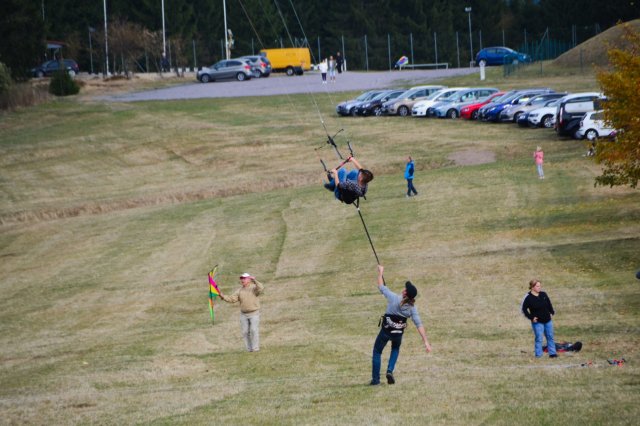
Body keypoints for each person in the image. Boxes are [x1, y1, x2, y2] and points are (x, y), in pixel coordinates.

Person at [371, 265, 431, 385]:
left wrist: (380, 272)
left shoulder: (394, 298)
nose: (404, 289)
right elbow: (419, 324)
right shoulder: (412, 308)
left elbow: (381, 287)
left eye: (405, 289)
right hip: (398, 334)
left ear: (405, 293)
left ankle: (376, 381)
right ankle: (390, 370)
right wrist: (426, 341)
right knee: (395, 348)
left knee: (377, 352)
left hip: (385, 332)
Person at [219, 272, 265, 352]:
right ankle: (249, 349)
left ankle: (255, 348)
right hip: (243, 314)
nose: (242, 280)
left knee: (254, 330)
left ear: (249, 279)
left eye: (244, 278)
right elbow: (232, 299)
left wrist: (255, 280)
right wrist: (223, 296)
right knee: (245, 332)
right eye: (241, 278)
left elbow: (261, 288)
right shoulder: (239, 290)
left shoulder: (254, 288)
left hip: (254, 313)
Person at [521, 279, 557, 358]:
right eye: (537, 286)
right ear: (532, 287)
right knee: (539, 338)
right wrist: (531, 317)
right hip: (537, 322)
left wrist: (551, 312)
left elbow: (549, 304)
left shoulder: (543, 294)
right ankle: (538, 355)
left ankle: (553, 354)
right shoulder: (528, 297)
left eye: (540, 286)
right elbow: (523, 309)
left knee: (550, 336)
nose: (539, 287)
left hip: (548, 320)